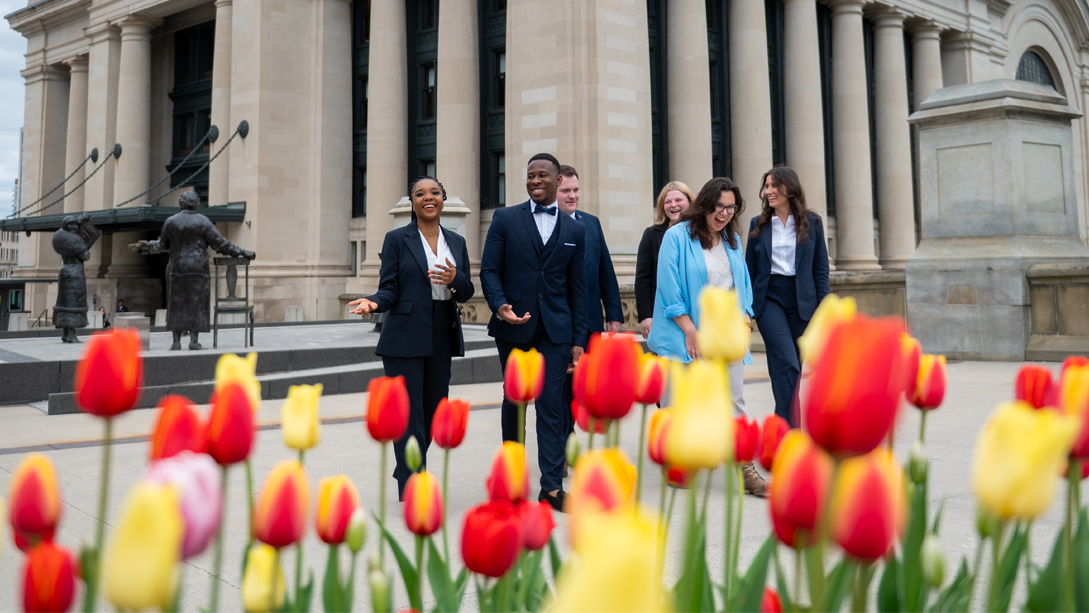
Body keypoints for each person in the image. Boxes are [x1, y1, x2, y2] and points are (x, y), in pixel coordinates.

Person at [348, 177, 475, 500]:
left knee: (434, 410)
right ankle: (413, 486)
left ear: (443, 199)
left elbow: (466, 292)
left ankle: (406, 466)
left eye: (434, 193)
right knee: (408, 413)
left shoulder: (456, 242)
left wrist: (455, 278)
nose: (428, 198)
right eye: (420, 194)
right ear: (412, 203)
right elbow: (389, 287)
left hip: (442, 330)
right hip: (404, 332)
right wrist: (374, 302)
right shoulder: (397, 239)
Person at [480, 153, 588, 512]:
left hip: (555, 331)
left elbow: (579, 289)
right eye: (530, 176)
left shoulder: (575, 229)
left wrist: (578, 340)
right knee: (514, 401)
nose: (535, 181)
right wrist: (500, 305)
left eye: (543, 175)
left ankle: (552, 487)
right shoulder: (505, 218)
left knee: (551, 404)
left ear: (558, 181)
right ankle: (511, 480)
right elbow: (490, 270)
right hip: (513, 326)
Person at [648, 177, 768, 496]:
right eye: (719, 206)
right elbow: (669, 288)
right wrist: (689, 329)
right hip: (684, 331)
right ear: (704, 204)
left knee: (733, 400)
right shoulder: (677, 236)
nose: (724, 213)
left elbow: (742, 284)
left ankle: (744, 468)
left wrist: (746, 318)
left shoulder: (731, 239)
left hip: (725, 333)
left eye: (731, 208)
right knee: (680, 401)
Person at [745, 166, 830, 427]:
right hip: (769, 298)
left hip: (803, 300)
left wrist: (824, 308)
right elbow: (749, 270)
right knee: (787, 363)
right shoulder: (758, 224)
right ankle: (792, 432)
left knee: (789, 370)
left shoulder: (813, 222)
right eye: (766, 186)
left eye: (774, 186)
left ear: (789, 188)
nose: (769, 191)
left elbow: (820, 269)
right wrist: (746, 308)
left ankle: (782, 429)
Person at [556, 164, 623, 471]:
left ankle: (576, 442)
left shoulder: (591, 223)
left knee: (583, 388)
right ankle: (564, 448)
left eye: (576, 190)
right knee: (562, 388)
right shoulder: (545, 225)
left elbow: (605, 269)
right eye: (565, 191)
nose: (573, 196)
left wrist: (614, 313)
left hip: (592, 322)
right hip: (559, 323)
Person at [131, 191, 255, 350]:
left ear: (181, 203)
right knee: (197, 303)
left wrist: (147, 247)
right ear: (196, 204)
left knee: (176, 303)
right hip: (198, 269)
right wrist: (242, 251)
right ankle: (194, 341)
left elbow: (162, 245)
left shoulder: (170, 221)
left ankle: (176, 342)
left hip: (176, 268)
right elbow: (221, 244)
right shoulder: (203, 221)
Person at [635, 182, 694, 340]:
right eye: (668, 202)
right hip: (662, 312)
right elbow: (643, 278)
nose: (673, 205)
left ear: (690, 202)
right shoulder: (651, 234)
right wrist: (645, 316)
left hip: (695, 311)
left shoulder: (701, 234)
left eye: (678, 200)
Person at [52, 215, 100, 343]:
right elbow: (85, 256)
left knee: (64, 303)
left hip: (65, 271)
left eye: (75, 224)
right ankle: (71, 335)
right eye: (71, 224)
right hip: (75, 274)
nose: (73, 227)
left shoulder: (62, 238)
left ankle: (65, 333)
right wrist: (86, 246)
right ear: (65, 225)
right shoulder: (74, 240)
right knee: (73, 304)